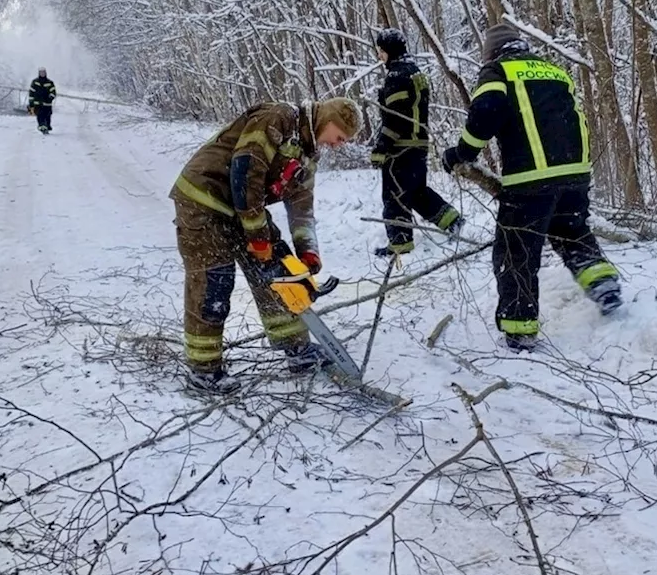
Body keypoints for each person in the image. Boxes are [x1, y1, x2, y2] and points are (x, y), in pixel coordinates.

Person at [441, 23, 622, 352]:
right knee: (571, 230)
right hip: (576, 174)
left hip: (531, 179)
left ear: (492, 52)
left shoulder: (498, 71)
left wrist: (460, 154)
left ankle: (519, 328)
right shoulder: (554, 71)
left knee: (515, 252)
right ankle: (602, 282)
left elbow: (485, 112)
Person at [169, 97, 362, 387]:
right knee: (214, 282)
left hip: (241, 207)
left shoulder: (308, 156)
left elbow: (302, 207)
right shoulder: (278, 119)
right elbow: (245, 173)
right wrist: (258, 239)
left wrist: (307, 252)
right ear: (328, 120)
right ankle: (204, 369)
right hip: (204, 199)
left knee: (282, 270)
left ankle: (296, 348)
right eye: (339, 137)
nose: (338, 145)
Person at [370, 29, 464, 257]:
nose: (379, 55)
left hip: (400, 148)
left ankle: (400, 242)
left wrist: (381, 147)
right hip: (419, 144)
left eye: (381, 50)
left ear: (388, 50)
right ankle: (451, 219)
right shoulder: (414, 72)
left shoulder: (396, 76)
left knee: (395, 195)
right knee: (416, 191)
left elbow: (396, 118)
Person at [28, 67, 57, 134]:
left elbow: (53, 92)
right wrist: (31, 103)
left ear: (45, 73)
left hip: (47, 104)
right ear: (39, 73)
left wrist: (50, 98)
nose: (42, 73)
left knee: (47, 116)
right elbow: (31, 93)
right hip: (38, 104)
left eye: (43, 72)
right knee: (40, 116)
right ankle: (42, 127)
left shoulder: (50, 82)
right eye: (41, 72)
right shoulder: (35, 82)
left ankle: (47, 126)